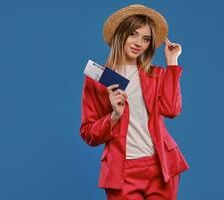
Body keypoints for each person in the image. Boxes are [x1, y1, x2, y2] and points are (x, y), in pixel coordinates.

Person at [80, 4, 189, 200]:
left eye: (146, 39)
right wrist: (113, 116)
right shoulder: (97, 79)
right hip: (122, 172)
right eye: (133, 34)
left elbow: (172, 110)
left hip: (160, 169)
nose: (139, 43)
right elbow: (89, 134)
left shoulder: (156, 75)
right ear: (120, 34)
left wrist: (172, 63)